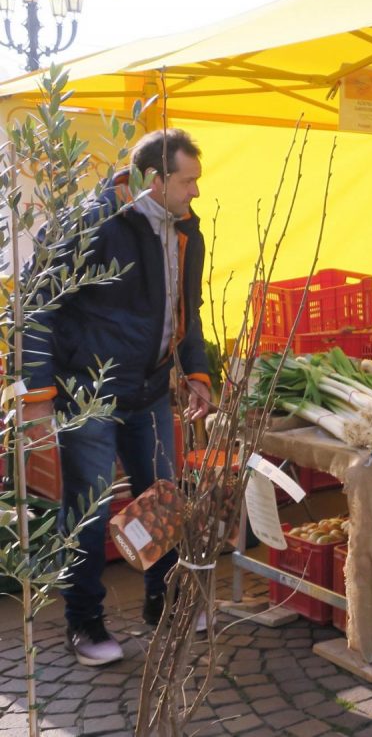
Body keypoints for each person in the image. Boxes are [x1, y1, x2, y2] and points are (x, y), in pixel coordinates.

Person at [25, 128, 214, 667]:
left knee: (162, 499)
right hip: (90, 393)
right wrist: (37, 396)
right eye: (188, 181)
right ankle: (84, 622)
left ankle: (164, 601)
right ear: (154, 179)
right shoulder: (88, 224)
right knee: (88, 509)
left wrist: (197, 372)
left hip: (149, 389)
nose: (196, 191)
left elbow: (188, 309)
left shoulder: (186, 230)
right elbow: (38, 308)